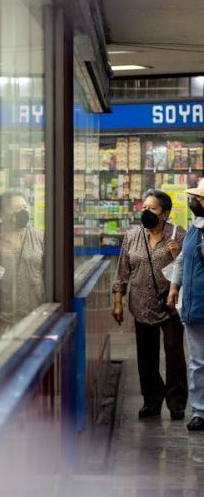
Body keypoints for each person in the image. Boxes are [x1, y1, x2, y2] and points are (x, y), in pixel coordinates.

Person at [112, 189, 187, 420]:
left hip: (169, 306)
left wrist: (177, 254)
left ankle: (176, 402)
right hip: (141, 305)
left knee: (174, 354)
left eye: (152, 208)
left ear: (164, 214)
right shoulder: (132, 236)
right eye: (144, 207)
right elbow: (122, 271)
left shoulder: (178, 235)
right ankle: (151, 401)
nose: (145, 212)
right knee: (146, 357)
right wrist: (118, 301)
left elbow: (188, 269)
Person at [168, 178, 204, 431]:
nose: (195, 202)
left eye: (199, 198)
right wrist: (174, 288)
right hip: (194, 308)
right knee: (198, 363)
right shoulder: (194, 227)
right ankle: (200, 411)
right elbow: (181, 261)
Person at [0, 191, 44, 332]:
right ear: (1, 213)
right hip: (0, 319)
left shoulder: (39, 236)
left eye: (24, 208)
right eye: (16, 208)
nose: (22, 212)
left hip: (34, 315)